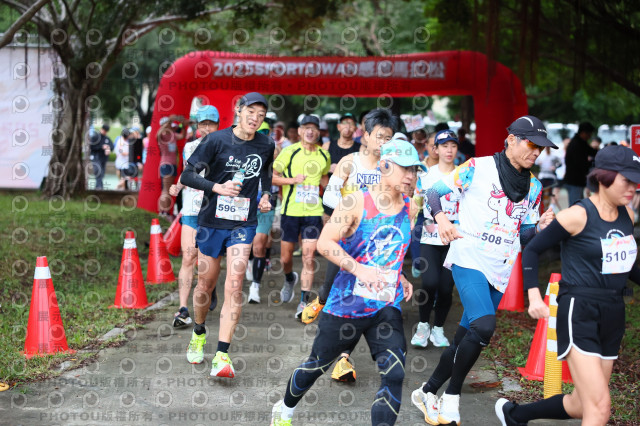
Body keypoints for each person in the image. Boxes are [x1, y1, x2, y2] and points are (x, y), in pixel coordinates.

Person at [410, 115, 556, 425]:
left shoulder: (534, 186)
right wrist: (442, 219)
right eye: (532, 145)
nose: (536, 152)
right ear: (512, 140)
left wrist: (540, 228)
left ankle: (427, 390)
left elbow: (524, 235)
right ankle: (452, 398)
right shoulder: (477, 167)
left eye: (541, 148)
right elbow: (433, 193)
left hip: (500, 269)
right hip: (468, 257)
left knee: (466, 337)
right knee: (485, 326)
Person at [270, 139, 423, 426]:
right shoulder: (355, 202)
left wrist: (399, 275)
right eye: (405, 168)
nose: (410, 176)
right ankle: (285, 407)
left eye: (414, 170)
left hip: (385, 305)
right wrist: (359, 269)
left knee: (395, 373)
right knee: (317, 365)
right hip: (346, 305)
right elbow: (325, 243)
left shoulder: (409, 207)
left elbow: (388, 250)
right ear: (384, 165)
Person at [496, 144, 640, 426]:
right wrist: (534, 296)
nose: (633, 188)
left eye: (636, 181)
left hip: (613, 311)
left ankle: (515, 415)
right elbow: (533, 249)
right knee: (600, 408)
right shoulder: (577, 215)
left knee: (581, 404)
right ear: (604, 178)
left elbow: (626, 266)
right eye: (627, 180)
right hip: (579, 311)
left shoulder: (628, 215)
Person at [179, 92, 274, 378]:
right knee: (204, 286)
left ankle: (222, 355)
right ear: (238, 110)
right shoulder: (215, 140)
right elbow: (187, 176)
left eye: (261, 115)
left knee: (234, 284)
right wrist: (216, 187)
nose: (255, 118)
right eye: (251, 112)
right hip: (211, 222)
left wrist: (266, 196)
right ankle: (198, 332)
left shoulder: (266, 144)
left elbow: (266, 175)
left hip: (243, 223)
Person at [302, 108, 397, 381]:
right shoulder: (349, 162)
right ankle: (322, 299)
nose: (383, 143)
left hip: (376, 244)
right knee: (333, 289)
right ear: (365, 135)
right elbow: (329, 197)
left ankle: (343, 359)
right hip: (346, 238)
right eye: (379, 136)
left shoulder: (391, 166)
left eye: (388, 138)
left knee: (359, 299)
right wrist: (349, 215)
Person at [272, 115, 331, 319]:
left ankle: (304, 301)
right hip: (291, 212)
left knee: (308, 256)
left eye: (314, 128)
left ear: (318, 132)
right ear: (299, 131)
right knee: (285, 258)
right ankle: (290, 278)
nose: (310, 131)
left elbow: (324, 178)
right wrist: (292, 180)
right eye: (306, 127)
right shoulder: (289, 151)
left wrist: (334, 194)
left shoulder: (323, 155)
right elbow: (272, 177)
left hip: (313, 213)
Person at [168, 105, 220, 327]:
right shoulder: (189, 147)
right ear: (197, 126)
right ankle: (183, 309)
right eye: (203, 124)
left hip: (213, 210)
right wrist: (177, 186)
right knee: (188, 257)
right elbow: (187, 172)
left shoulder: (224, 146)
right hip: (191, 208)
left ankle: (210, 287)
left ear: (218, 125)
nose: (206, 128)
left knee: (207, 261)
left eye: (211, 124)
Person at [411, 129, 460, 349]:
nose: (449, 150)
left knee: (446, 288)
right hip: (429, 236)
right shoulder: (426, 175)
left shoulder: (463, 174)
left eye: (453, 146)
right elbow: (416, 204)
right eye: (444, 146)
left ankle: (438, 329)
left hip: (455, 238)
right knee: (429, 283)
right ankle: (423, 326)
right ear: (435, 149)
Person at [246, 121, 279, 304]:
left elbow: (278, 174)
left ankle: (255, 288)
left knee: (259, 245)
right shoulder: (243, 150)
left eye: (266, 132)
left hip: (266, 204)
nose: (263, 135)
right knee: (247, 244)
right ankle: (250, 263)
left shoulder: (274, 150)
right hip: (245, 204)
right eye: (260, 132)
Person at [410, 131, 439, 277]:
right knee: (416, 239)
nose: (434, 149)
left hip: (441, 213)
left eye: (437, 146)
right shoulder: (419, 166)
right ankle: (417, 264)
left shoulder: (450, 168)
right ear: (426, 145)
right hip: (420, 209)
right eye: (431, 145)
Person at [157, 115, 187, 215]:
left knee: (168, 189)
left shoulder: (173, 135)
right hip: (166, 164)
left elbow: (182, 136)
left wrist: (183, 126)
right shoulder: (162, 136)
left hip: (173, 165)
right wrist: (168, 122)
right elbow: (158, 134)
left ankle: (165, 212)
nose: (171, 126)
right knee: (166, 189)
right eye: (169, 125)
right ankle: (163, 212)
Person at [563, 121, 597, 206]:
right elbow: (580, 163)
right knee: (575, 207)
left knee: (578, 205)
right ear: (583, 133)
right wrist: (591, 164)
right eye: (589, 134)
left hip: (576, 181)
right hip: (575, 181)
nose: (589, 136)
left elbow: (592, 152)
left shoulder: (580, 142)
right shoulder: (577, 144)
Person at [89, 124, 112, 190]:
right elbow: (92, 146)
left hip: (103, 159)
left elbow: (111, 146)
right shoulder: (95, 137)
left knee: (102, 173)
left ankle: (99, 187)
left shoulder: (107, 138)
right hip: (96, 157)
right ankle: (99, 187)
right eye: (104, 130)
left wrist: (108, 149)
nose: (105, 132)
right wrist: (101, 147)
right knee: (98, 171)